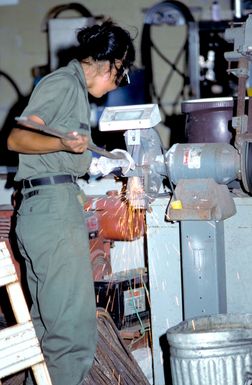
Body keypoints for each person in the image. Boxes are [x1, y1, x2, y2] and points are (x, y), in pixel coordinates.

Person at [7, 20, 135, 385]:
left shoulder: (72, 90)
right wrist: (62, 144)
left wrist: (94, 158)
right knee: (72, 336)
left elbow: (59, 149)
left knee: (50, 333)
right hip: (51, 211)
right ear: (112, 62)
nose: (115, 86)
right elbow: (18, 138)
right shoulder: (64, 83)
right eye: (119, 76)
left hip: (46, 209)